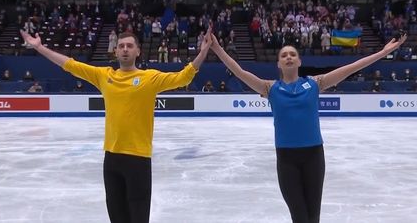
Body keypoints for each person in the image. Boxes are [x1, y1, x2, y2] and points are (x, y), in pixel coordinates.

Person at [209, 32, 407, 223]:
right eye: (284, 55)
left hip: (314, 157)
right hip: (287, 160)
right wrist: (217, 48)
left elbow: (351, 68)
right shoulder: (270, 88)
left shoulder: (314, 84)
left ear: (299, 61)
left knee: (313, 218)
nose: (288, 57)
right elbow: (239, 72)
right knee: (300, 217)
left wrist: (382, 53)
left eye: (292, 54)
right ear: (278, 63)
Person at [20, 27, 212, 223]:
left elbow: (183, 77)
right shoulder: (104, 76)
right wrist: (40, 47)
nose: (125, 49)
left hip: (138, 159)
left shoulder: (150, 78)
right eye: (121, 46)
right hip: (111, 159)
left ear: (138, 51)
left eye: (129, 46)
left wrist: (203, 52)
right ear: (116, 51)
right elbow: (70, 65)